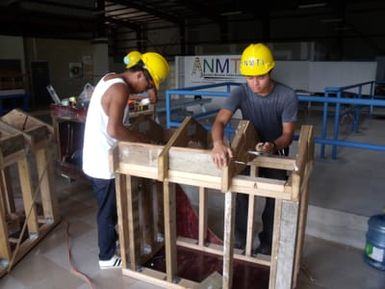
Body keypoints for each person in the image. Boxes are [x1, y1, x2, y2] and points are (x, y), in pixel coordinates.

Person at [82, 51, 169, 269]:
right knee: (108, 211)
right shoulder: (120, 89)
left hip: (95, 157)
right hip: (103, 162)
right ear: (139, 74)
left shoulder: (111, 78)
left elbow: (114, 112)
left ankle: (111, 245)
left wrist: (148, 95)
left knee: (107, 209)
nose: (147, 89)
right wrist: (143, 140)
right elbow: (114, 129)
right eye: (148, 84)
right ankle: (107, 257)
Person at [211, 43, 298, 255]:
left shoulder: (286, 96)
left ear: (270, 71)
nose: (255, 83)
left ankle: (268, 245)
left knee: (274, 200)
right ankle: (240, 242)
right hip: (247, 151)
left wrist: (272, 145)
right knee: (241, 197)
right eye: (249, 78)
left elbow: (288, 135)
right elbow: (220, 121)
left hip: (275, 151)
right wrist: (218, 143)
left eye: (260, 77)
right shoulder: (240, 93)